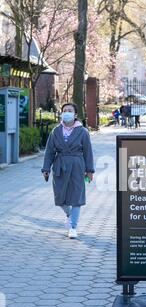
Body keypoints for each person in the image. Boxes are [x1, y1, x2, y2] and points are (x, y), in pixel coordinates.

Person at [41, 102, 95, 238]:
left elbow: (88, 152)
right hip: (60, 165)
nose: (67, 113)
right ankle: (70, 215)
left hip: (77, 165)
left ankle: (73, 227)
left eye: (70, 110)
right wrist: (46, 168)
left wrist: (90, 170)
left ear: (75, 114)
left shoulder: (83, 131)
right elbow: (49, 152)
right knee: (59, 196)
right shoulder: (56, 131)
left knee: (76, 197)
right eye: (65, 110)